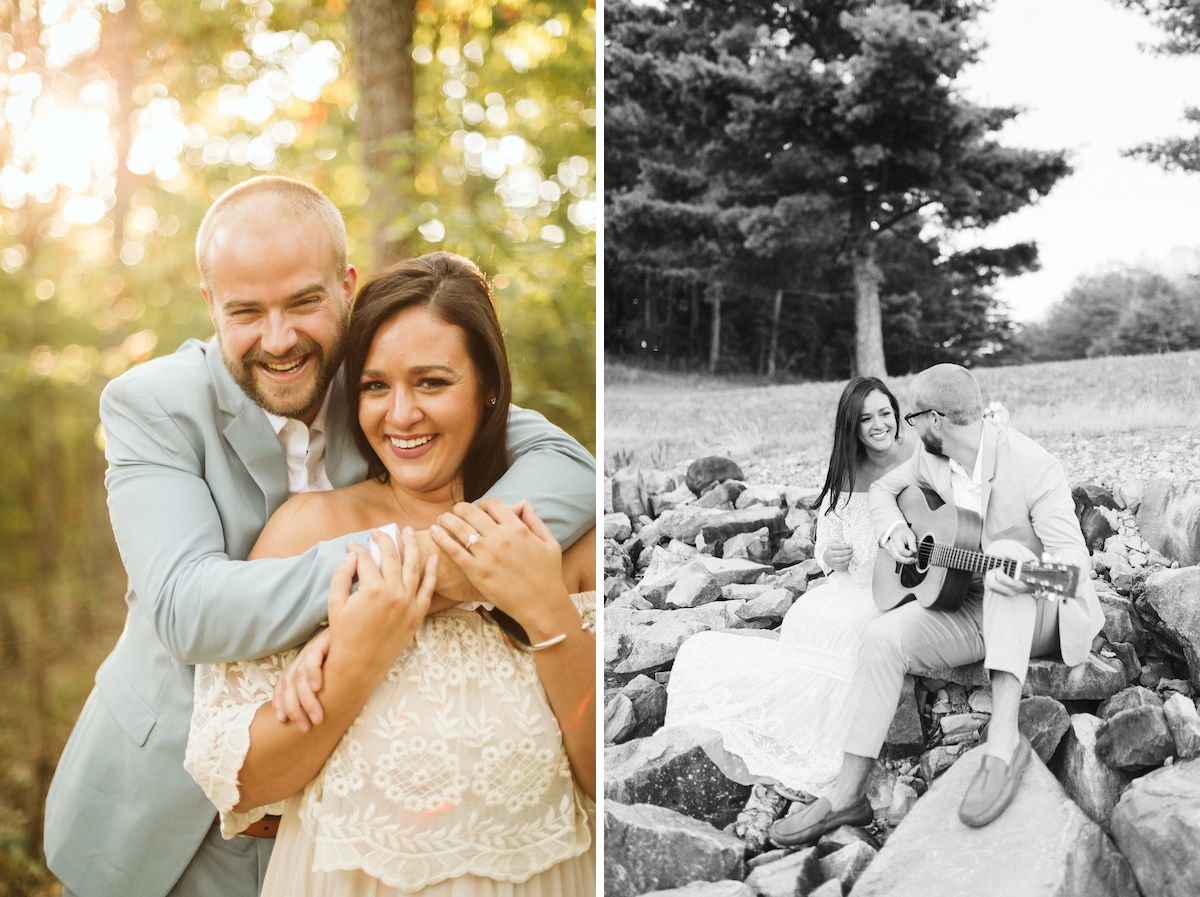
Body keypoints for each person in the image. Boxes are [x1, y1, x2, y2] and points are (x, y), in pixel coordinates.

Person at [43, 177, 597, 897]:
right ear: (212, 305)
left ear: (345, 286)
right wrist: (384, 585)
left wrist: (416, 587)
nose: (279, 339)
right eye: (247, 311)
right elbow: (186, 607)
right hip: (165, 802)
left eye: (304, 302)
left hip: (337, 823)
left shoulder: (379, 377)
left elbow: (568, 468)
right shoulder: (153, 404)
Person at [185, 252, 596, 895]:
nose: (400, 415)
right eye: (376, 386)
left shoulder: (562, 544)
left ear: (489, 386)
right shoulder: (305, 532)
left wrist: (547, 615)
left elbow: (608, 777)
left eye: (431, 382)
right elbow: (239, 781)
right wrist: (354, 657)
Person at [769, 363, 1104, 847]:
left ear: (936, 420)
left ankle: (1003, 744)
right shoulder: (933, 458)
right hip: (968, 603)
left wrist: (1024, 574)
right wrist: (895, 531)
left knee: (1009, 558)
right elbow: (884, 490)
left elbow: (1073, 569)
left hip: (1043, 607)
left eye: (911, 418)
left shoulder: (1034, 465)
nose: (907, 430)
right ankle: (846, 797)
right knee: (882, 637)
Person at [665, 377, 912, 799]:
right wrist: (829, 557)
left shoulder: (918, 457)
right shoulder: (847, 468)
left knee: (848, 629)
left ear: (896, 412)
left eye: (885, 413)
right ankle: (784, 722)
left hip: (891, 591)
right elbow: (828, 542)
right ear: (851, 427)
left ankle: (821, 738)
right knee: (807, 614)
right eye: (866, 418)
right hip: (848, 583)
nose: (878, 425)